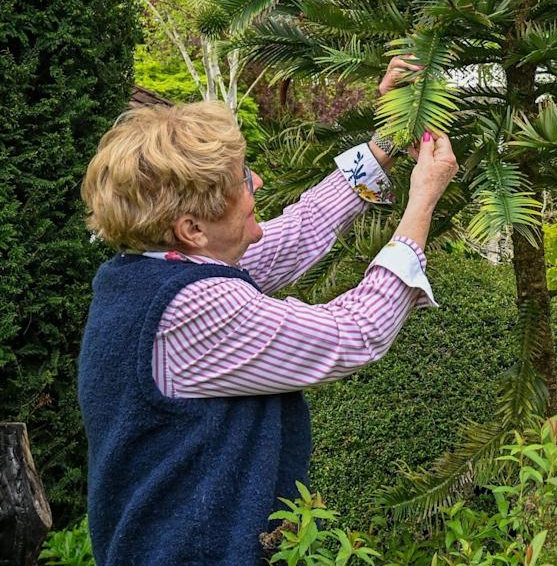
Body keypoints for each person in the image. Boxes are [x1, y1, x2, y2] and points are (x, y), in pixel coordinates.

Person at [77, 56, 458, 566]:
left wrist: (391, 135)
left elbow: (302, 229)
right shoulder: (193, 308)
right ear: (192, 229)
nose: (255, 181)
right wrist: (422, 204)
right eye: (239, 181)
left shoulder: (152, 273)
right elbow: (355, 333)